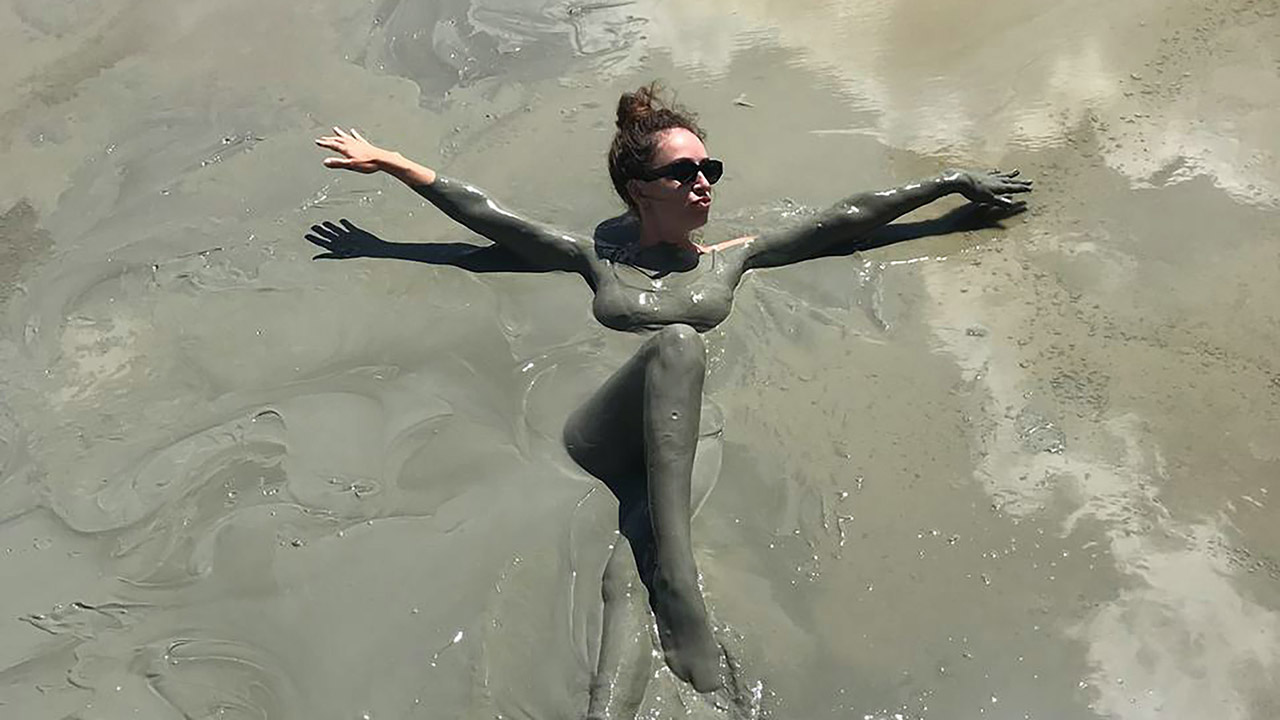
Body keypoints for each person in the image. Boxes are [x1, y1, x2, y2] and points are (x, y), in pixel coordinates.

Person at [311, 81, 1031, 715]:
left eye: (708, 169)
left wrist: (948, 184)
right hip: (604, 435)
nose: (703, 183)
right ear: (639, 189)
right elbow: (489, 218)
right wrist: (395, 164)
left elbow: (843, 220)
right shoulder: (596, 260)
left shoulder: (732, 259)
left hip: (683, 448)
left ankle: (614, 697)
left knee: (629, 572)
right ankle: (683, 585)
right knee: (679, 347)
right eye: (683, 172)